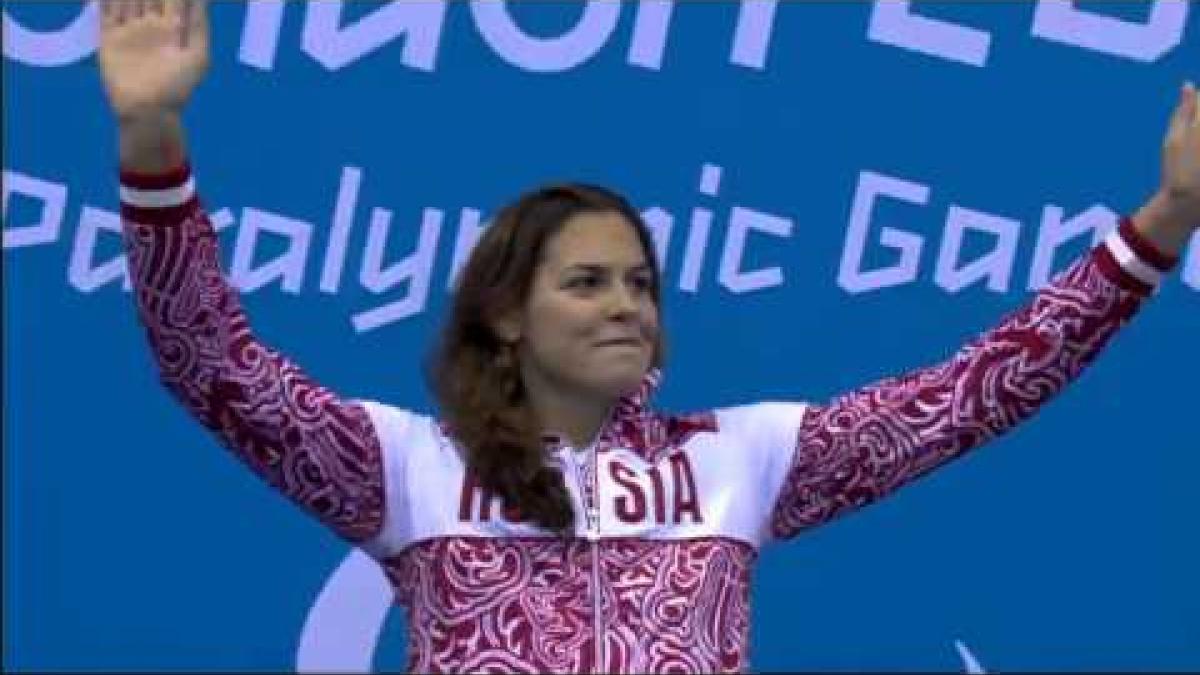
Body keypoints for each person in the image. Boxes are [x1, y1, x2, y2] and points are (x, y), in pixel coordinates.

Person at [97, 1, 1199, 673]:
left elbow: (972, 393)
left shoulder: (742, 459)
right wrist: (153, 137)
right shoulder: (407, 466)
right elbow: (212, 366)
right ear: (505, 315)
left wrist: (1166, 221)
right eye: (585, 282)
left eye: (639, 281)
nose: (627, 302)